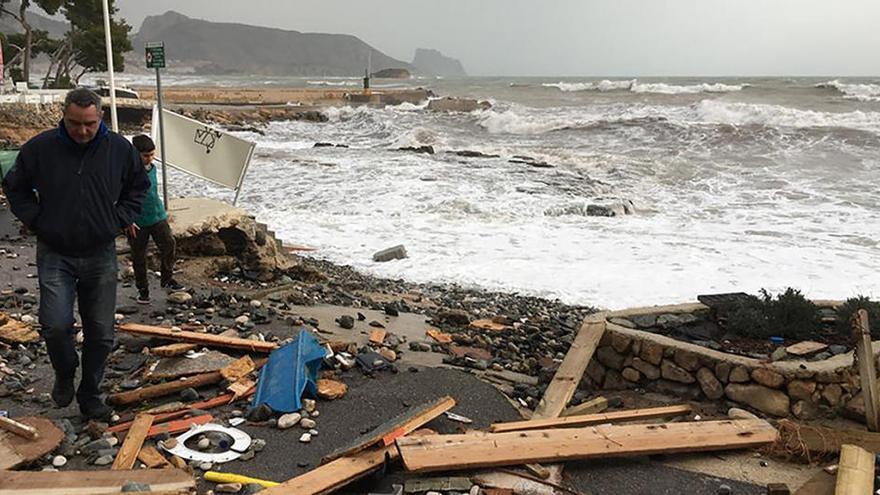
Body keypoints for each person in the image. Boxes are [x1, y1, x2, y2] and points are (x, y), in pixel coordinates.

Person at [1, 88, 149, 419]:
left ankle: (91, 394)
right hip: (56, 251)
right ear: (64, 117)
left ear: (101, 119)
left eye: (89, 124)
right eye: (74, 123)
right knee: (54, 324)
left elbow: (138, 187)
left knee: (101, 331)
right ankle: (65, 372)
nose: (81, 131)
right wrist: (36, 219)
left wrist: (119, 219)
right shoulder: (41, 147)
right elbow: (15, 186)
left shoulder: (119, 150)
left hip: (100, 251)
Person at [129, 134, 184, 303]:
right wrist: (127, 220)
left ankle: (167, 279)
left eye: (152, 155)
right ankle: (143, 288)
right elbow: (120, 197)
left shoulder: (153, 168)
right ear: (135, 154)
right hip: (137, 221)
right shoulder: (127, 172)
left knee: (169, 244)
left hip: (158, 215)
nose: (150, 159)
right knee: (139, 255)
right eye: (146, 155)